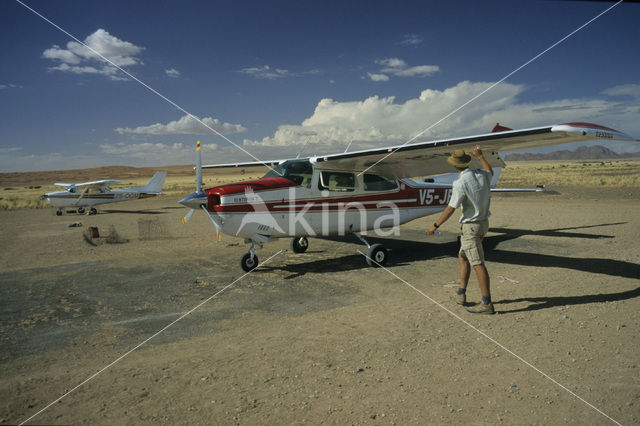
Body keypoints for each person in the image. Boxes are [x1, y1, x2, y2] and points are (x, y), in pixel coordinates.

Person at [426, 145, 495, 314]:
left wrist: (435, 226)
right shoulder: (481, 175)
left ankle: (487, 304)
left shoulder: (460, 183)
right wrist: (481, 156)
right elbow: (490, 171)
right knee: (463, 256)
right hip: (483, 223)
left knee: (478, 264)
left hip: (471, 227)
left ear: (455, 166)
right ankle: (461, 293)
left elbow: (451, 208)